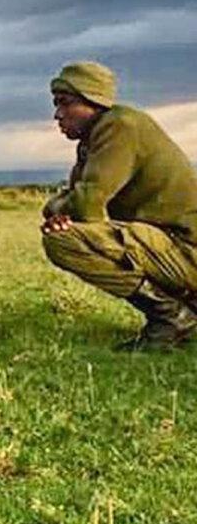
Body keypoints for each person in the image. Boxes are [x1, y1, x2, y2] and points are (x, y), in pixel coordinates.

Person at [41, 61, 197, 350]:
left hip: (184, 249)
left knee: (62, 240)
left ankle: (172, 317)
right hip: (172, 248)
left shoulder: (119, 125)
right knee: (69, 233)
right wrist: (64, 208)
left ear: (93, 100)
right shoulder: (94, 139)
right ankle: (183, 309)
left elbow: (86, 204)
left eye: (65, 103)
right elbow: (71, 202)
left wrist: (65, 212)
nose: (57, 114)